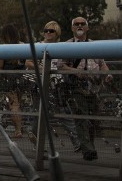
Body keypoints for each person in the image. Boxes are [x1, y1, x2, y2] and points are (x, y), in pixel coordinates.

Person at [59, 17, 112, 161]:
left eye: (83, 24)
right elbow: (61, 66)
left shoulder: (94, 45)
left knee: (93, 120)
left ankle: (90, 146)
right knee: (81, 117)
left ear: (87, 28)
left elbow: (102, 63)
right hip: (76, 86)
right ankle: (88, 150)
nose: (80, 26)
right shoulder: (67, 45)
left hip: (95, 87)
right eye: (76, 24)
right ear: (72, 28)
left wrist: (107, 74)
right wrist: (76, 72)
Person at [25, 20, 78, 151]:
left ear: (57, 33)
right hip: (38, 83)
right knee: (40, 111)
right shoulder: (38, 45)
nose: (48, 33)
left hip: (56, 84)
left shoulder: (61, 46)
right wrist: (42, 68)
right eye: (46, 31)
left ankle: (77, 141)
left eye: (51, 31)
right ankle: (37, 141)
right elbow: (28, 62)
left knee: (63, 112)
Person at [0, 23, 24, 138]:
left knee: (13, 104)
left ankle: (18, 130)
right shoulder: (22, 45)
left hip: (7, 78)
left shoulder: (2, 48)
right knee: (19, 103)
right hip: (22, 77)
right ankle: (20, 127)